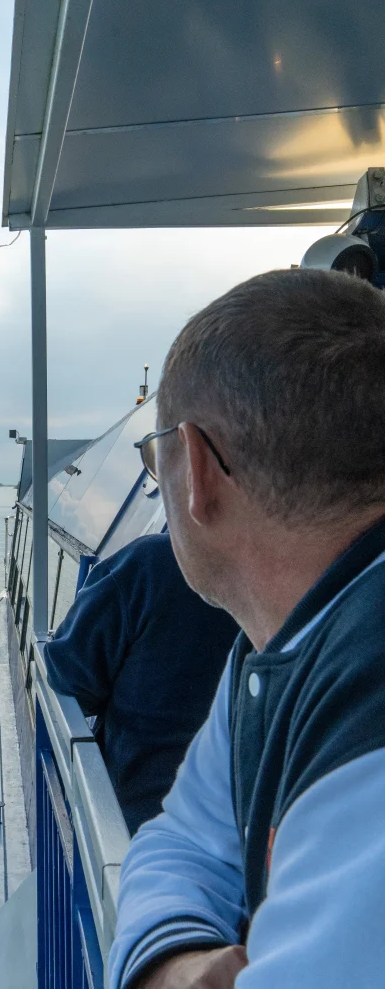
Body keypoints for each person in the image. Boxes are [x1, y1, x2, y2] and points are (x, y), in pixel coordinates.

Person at [109, 267, 385, 989]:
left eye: (154, 454)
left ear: (196, 469)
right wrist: (171, 965)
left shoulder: (368, 706)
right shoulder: (279, 646)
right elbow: (184, 840)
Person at [44, 533, 238, 834]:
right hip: (261, 842)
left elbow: (70, 677)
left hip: (138, 823)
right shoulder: (317, 576)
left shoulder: (153, 561)